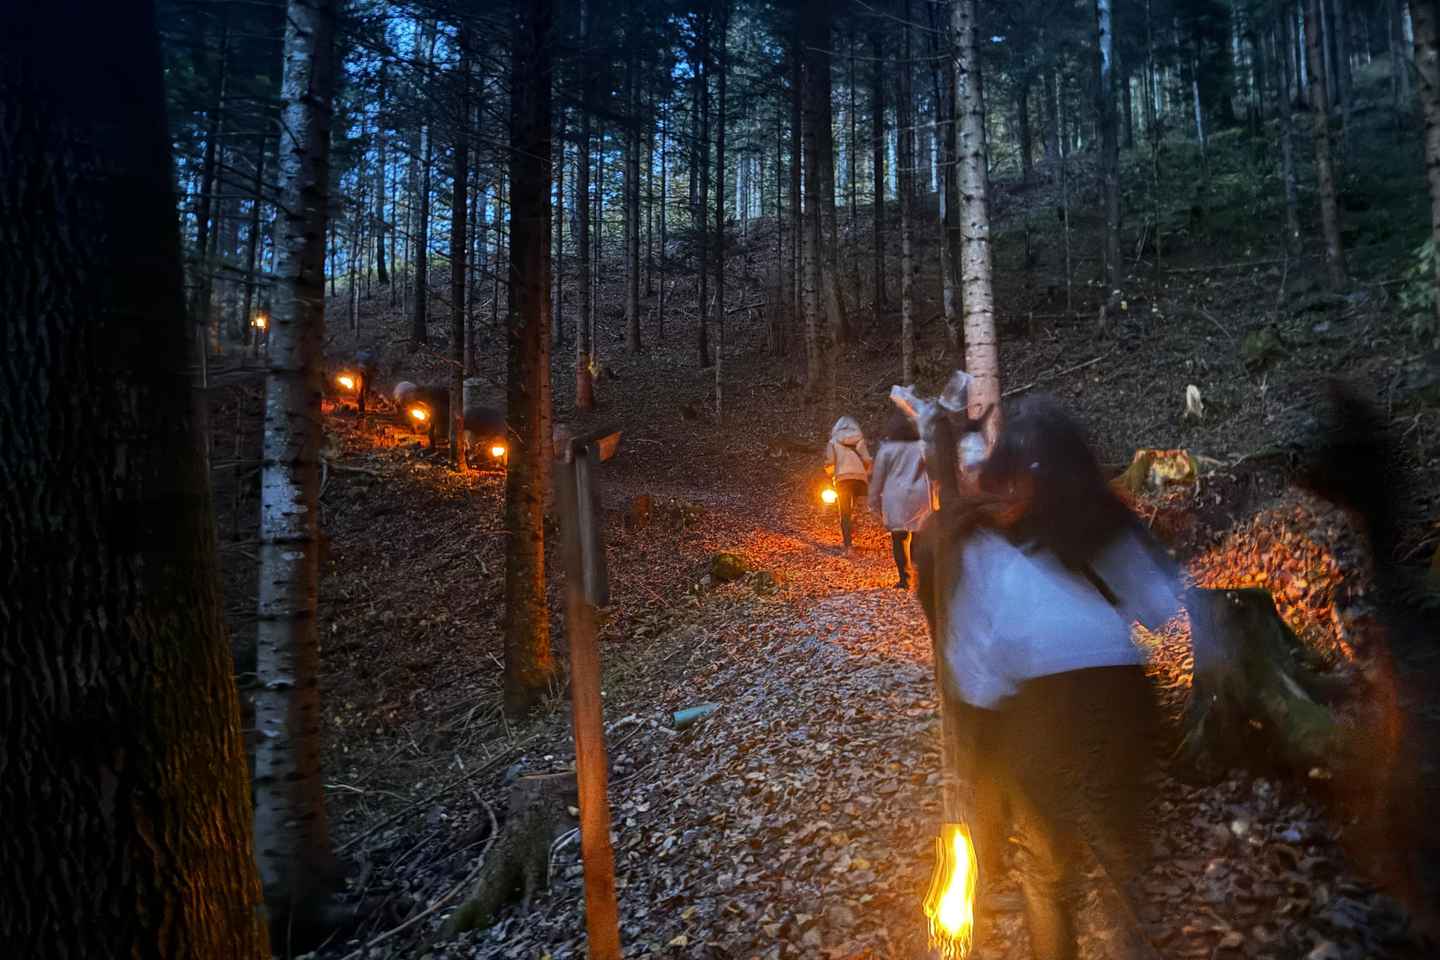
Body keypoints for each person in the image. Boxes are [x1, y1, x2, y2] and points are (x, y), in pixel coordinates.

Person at [904, 378, 1178, 960]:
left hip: (1041, 716)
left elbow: (977, 661)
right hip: (1115, 704)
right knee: (1114, 862)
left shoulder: (981, 541)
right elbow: (1160, 606)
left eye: (1007, 478)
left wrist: (979, 747)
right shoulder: (1103, 524)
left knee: (1052, 870)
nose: (1002, 491)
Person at [867, 410, 931, 588]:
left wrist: (873, 501)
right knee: (918, 534)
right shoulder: (923, 446)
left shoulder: (887, 450)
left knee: (899, 536)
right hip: (920, 494)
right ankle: (919, 575)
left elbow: (878, 477)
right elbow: (934, 471)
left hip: (895, 496)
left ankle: (905, 578)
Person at [823, 415, 872, 553]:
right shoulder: (859, 440)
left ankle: (848, 546)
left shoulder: (833, 442)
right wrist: (865, 472)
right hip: (860, 479)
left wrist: (830, 474)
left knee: (845, 513)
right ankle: (854, 533)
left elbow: (830, 462)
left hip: (843, 479)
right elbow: (867, 460)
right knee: (853, 510)